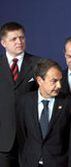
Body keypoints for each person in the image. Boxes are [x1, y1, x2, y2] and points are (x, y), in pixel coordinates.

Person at [16, 59, 71, 167]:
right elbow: (22, 135)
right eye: (54, 81)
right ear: (39, 80)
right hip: (30, 162)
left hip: (59, 163)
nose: (59, 85)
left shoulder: (69, 103)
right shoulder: (24, 102)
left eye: (60, 80)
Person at [0, 21, 41, 167]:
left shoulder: (38, 64)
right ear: (3, 42)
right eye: (14, 39)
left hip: (30, 139)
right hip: (3, 142)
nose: (19, 42)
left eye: (22, 37)